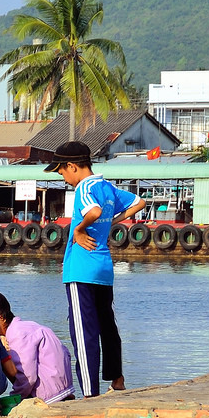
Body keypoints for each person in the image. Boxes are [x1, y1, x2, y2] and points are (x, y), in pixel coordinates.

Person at [51, 140, 149, 396]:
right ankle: (117, 379)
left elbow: (93, 211)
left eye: (61, 170)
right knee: (107, 324)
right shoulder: (106, 186)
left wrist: (80, 230)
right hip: (104, 268)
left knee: (83, 333)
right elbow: (139, 202)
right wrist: (114, 221)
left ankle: (90, 394)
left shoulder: (84, 187)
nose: (62, 177)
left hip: (81, 269)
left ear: (72, 166)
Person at [0, 289, 74, 406]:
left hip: (48, 394)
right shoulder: (27, 326)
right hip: (62, 387)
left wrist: (16, 398)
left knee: (4, 359)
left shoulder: (17, 333)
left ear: (1, 317)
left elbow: (27, 375)